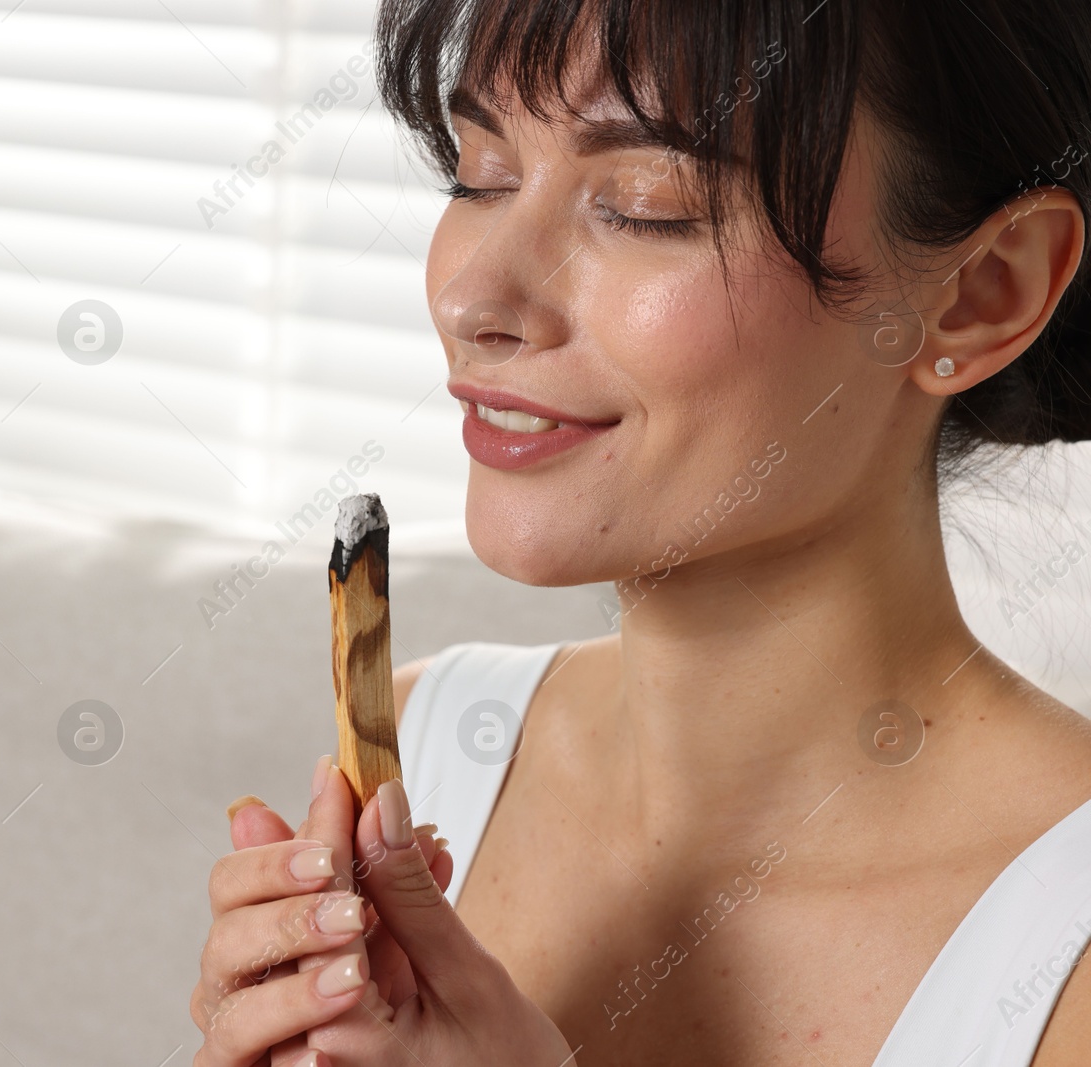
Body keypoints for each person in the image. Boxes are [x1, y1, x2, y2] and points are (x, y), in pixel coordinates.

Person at [192, 0, 1091, 1062]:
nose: (472, 296)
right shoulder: (425, 744)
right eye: (479, 173)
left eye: (641, 204)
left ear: (982, 292)